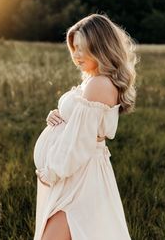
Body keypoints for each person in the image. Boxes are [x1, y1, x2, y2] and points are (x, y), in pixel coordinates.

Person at [33, 13, 139, 240]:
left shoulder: (100, 84)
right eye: (74, 47)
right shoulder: (92, 79)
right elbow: (80, 124)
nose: (76, 54)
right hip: (75, 173)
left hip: (79, 177)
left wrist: (50, 172)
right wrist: (58, 115)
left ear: (100, 47)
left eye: (83, 48)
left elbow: (80, 142)